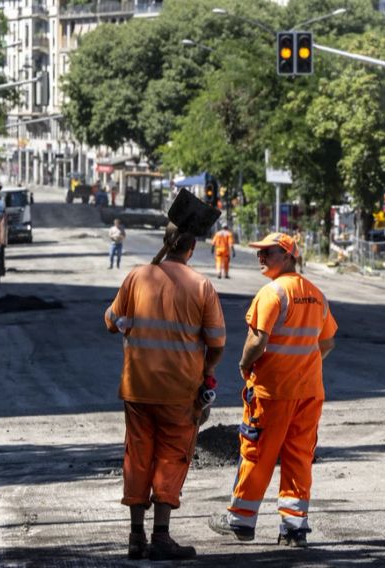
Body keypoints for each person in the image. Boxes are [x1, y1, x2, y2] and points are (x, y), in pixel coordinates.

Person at [104, 224, 226, 561]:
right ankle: (160, 536)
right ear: (192, 247)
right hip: (180, 392)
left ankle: (135, 537)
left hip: (138, 388)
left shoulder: (136, 277)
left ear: (164, 242)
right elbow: (217, 343)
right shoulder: (201, 286)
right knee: (171, 457)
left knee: (138, 456)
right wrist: (208, 371)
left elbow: (111, 321)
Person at [209, 232, 337, 548]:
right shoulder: (316, 294)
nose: (260, 257)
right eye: (260, 252)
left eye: (267, 252)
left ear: (287, 255)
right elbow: (327, 342)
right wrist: (304, 364)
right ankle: (294, 528)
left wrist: (244, 363)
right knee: (298, 456)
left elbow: (257, 339)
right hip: (308, 393)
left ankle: (240, 520)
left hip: (272, 391)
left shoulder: (273, 293)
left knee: (257, 453)